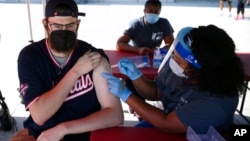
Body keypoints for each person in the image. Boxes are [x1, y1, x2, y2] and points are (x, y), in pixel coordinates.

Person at [11, 0, 123, 141]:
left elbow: (115, 114)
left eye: (70, 25)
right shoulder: (31, 56)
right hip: (42, 135)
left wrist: (63, 129)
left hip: (84, 134)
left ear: (78, 24)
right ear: (45, 24)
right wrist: (76, 71)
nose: (64, 31)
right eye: (57, 25)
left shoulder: (93, 57)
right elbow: (40, 116)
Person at [102, 24, 245, 134]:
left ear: (201, 71)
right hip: (168, 119)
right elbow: (157, 92)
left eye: (179, 61)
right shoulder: (183, 69)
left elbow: (166, 123)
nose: (172, 62)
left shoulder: (215, 103)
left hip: (198, 134)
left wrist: (126, 95)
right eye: (173, 55)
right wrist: (137, 76)